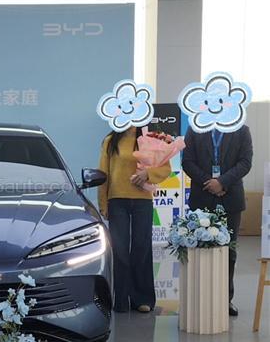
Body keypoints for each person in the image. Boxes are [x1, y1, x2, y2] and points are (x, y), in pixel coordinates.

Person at [182, 123, 253, 316]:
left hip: (231, 198)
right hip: (202, 196)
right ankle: (200, 298)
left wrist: (222, 182)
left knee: (228, 251)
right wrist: (210, 182)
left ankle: (225, 299)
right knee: (199, 249)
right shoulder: (195, 128)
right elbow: (187, 161)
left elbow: (245, 162)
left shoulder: (241, 129)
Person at [98, 127, 171, 313]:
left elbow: (165, 168)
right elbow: (103, 173)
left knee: (141, 247)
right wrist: (103, 203)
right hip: (117, 200)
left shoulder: (151, 139)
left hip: (143, 200)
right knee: (120, 251)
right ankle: (121, 299)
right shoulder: (110, 141)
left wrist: (148, 174)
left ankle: (142, 299)